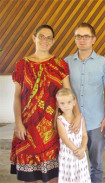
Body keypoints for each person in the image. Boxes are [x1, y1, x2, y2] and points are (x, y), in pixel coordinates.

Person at [10, 24, 80, 182]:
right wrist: (18, 123)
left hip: (52, 129)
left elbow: (69, 93)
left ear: (53, 41)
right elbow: (17, 97)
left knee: (53, 177)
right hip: (27, 129)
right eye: (41, 36)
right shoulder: (22, 64)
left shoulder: (59, 64)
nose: (45, 40)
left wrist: (77, 115)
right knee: (30, 177)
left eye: (49, 37)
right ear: (34, 38)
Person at [64, 22, 105, 183]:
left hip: (96, 122)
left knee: (96, 165)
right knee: (74, 163)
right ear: (75, 39)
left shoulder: (104, 63)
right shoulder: (67, 62)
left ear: (93, 39)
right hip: (73, 123)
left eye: (86, 36)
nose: (82, 39)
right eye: (78, 36)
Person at [56, 88, 91, 183]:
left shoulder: (80, 118)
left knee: (81, 178)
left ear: (74, 102)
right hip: (68, 157)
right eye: (62, 103)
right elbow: (65, 139)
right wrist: (76, 151)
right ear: (58, 104)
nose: (66, 106)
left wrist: (83, 148)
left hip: (80, 155)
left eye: (68, 102)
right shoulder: (60, 120)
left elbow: (84, 135)